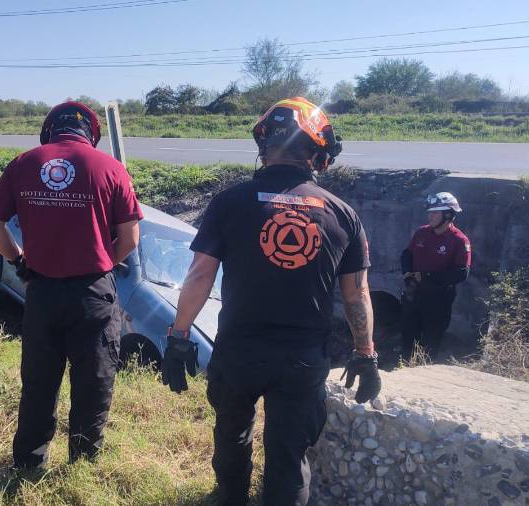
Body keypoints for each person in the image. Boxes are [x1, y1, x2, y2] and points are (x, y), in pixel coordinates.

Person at [161, 97, 381, 506]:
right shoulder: (344, 214)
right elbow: (357, 294)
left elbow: (199, 275)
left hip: (238, 352)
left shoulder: (230, 202)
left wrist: (178, 337)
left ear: (264, 145)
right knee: (289, 459)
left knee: (231, 439)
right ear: (318, 153)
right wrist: (365, 353)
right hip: (302, 358)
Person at [0, 101, 143, 471]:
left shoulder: (24, 164)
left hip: (41, 291)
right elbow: (130, 238)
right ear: (92, 134)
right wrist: (103, 262)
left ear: (49, 130)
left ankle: (28, 463)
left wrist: (19, 261)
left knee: (38, 381)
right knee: (94, 381)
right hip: (93, 295)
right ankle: (82, 464)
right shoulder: (111, 168)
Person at [400, 192, 471, 360]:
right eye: (429, 212)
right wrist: (407, 272)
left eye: (435, 213)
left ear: (448, 215)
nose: (430, 216)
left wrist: (428, 277)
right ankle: (404, 365)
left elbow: (461, 273)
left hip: (438, 299)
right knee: (408, 335)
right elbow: (407, 255)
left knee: (431, 340)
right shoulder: (421, 233)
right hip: (414, 294)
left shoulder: (460, 241)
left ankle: (424, 370)